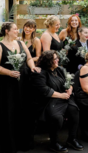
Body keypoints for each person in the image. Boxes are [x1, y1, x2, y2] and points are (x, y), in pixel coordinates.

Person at [31, 51, 83, 153]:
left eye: (57, 58)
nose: (57, 60)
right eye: (55, 59)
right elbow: (44, 90)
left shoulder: (60, 70)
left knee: (74, 110)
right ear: (48, 61)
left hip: (64, 99)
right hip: (48, 102)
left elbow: (70, 82)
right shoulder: (40, 73)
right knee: (56, 117)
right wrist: (61, 95)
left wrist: (70, 89)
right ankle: (54, 143)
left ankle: (72, 139)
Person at [0, 22, 40, 153]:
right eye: (15, 29)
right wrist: (9, 72)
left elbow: (29, 58)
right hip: (8, 85)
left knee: (24, 110)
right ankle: (11, 144)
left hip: (24, 83)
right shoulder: (0, 46)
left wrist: (32, 67)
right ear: (7, 31)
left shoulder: (21, 43)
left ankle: (24, 142)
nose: (18, 31)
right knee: (10, 111)